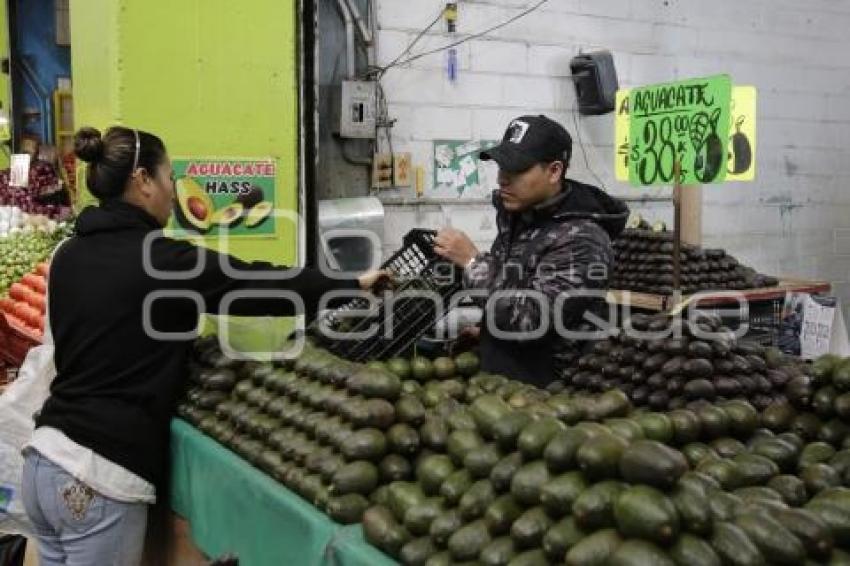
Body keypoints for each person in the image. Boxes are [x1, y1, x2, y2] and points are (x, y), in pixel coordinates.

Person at [20, 126, 385, 565]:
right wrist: (350, 283)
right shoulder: (163, 261)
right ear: (142, 181)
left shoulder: (66, 255)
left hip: (43, 462)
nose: (174, 192)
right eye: (169, 178)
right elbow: (257, 283)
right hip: (96, 476)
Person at [434, 115, 629, 386]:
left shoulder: (584, 239)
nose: (503, 179)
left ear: (554, 171)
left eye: (517, 169)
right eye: (502, 167)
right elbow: (514, 286)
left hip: (552, 400)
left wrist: (472, 262)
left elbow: (531, 319)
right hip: (506, 388)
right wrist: (489, 334)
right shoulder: (520, 220)